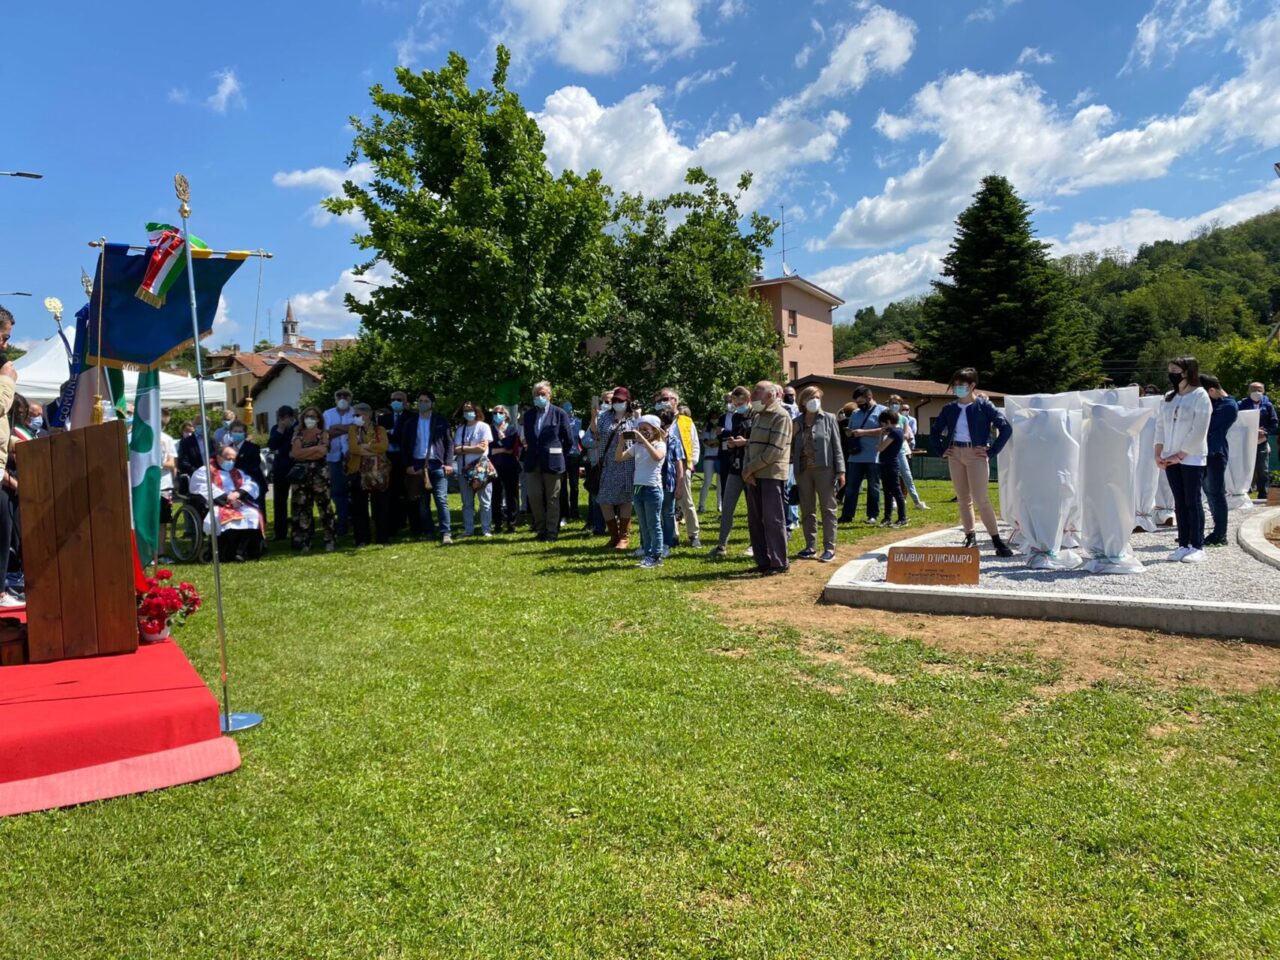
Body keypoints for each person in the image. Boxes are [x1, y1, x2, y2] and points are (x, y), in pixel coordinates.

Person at [931, 367, 1014, 557]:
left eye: (962, 385)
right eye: (955, 385)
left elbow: (1006, 428)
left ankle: (996, 540)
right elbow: (935, 431)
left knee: (981, 498)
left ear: (972, 386)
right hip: (955, 454)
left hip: (976, 454)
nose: (958, 388)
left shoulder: (984, 406)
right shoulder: (949, 408)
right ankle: (970, 535)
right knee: (963, 498)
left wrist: (991, 451)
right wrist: (941, 450)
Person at [1155, 357, 1212, 563]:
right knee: (1178, 502)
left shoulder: (1200, 395)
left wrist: (1181, 455)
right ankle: (1183, 544)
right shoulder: (1169, 397)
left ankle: (1197, 545)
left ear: (1187, 371)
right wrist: (1158, 453)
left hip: (1192, 457)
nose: (1171, 373)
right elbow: (1160, 426)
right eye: (1169, 369)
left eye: (1175, 369)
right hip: (1170, 457)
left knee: (1192, 501)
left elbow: (1199, 429)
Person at [742, 381, 792, 575]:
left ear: (771, 395)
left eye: (757, 392)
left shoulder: (781, 416)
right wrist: (748, 470)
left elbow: (775, 450)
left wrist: (750, 468)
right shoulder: (758, 415)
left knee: (773, 520)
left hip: (771, 474)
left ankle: (779, 562)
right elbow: (751, 445)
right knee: (755, 520)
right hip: (754, 475)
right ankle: (762, 561)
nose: (752, 396)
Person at [791, 386, 845, 562]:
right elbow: (788, 446)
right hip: (803, 470)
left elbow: (837, 446)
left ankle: (830, 547)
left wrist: (841, 470)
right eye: (811, 397)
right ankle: (810, 546)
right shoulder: (797, 421)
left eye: (817, 397)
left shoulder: (829, 418)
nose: (815, 400)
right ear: (803, 402)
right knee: (807, 509)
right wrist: (793, 434)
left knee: (828, 508)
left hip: (825, 469)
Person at [189, 444, 265, 561]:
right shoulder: (204, 471)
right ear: (219, 457)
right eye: (228, 459)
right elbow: (203, 487)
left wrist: (238, 493)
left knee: (253, 515)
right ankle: (226, 551)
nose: (231, 462)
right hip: (216, 503)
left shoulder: (237, 472)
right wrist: (227, 499)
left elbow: (251, 484)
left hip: (238, 502)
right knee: (225, 519)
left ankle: (241, 551)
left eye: (234, 459)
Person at [399, 390, 455, 544]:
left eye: (426, 401)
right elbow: (404, 446)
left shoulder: (440, 421)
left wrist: (449, 463)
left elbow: (449, 443)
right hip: (417, 464)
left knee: (441, 499)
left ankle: (446, 532)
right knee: (423, 502)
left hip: (437, 464)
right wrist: (408, 465)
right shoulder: (410, 422)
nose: (423, 404)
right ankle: (428, 531)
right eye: (420, 401)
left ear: (432, 404)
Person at [521, 381, 573, 542]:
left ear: (549, 395)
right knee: (534, 496)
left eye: (543, 394)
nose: (539, 397)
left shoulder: (559, 413)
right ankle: (541, 528)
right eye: (537, 394)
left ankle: (552, 531)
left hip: (553, 461)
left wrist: (558, 454)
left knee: (553, 497)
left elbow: (569, 440)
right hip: (532, 461)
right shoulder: (528, 415)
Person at [617, 414, 668, 568]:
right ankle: (648, 554)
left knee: (654, 524)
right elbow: (619, 458)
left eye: (646, 429)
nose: (642, 432)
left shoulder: (660, 444)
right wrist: (621, 443)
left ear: (654, 430)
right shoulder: (637, 446)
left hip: (652, 488)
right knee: (644, 525)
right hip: (638, 487)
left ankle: (656, 555)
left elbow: (657, 457)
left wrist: (643, 440)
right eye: (640, 429)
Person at [710, 386, 753, 557]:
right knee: (727, 506)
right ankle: (721, 546)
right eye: (734, 403)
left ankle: (753, 544)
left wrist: (745, 442)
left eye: (740, 403)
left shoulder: (756, 415)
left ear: (748, 400)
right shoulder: (735, 416)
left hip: (751, 467)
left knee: (753, 509)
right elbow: (732, 435)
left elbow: (758, 440)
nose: (736, 406)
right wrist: (731, 442)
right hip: (734, 464)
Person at [289, 405, 337, 553]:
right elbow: (295, 453)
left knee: (324, 507)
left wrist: (306, 452)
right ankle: (305, 540)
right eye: (307, 416)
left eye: (313, 416)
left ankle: (329, 539)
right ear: (302, 418)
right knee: (303, 508)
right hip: (301, 475)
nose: (310, 419)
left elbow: (322, 452)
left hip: (320, 474)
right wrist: (314, 449)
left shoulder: (323, 434)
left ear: (318, 419)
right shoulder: (297, 434)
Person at [657, 388, 700, 548]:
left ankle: (693, 535)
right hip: (662, 467)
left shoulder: (686, 421)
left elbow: (694, 443)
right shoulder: (658, 419)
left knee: (686, 501)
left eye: (666, 398)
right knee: (667, 503)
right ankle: (672, 535)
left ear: (675, 400)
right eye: (661, 399)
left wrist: (690, 464)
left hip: (683, 466)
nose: (663, 401)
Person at [595, 386, 636, 549]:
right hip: (609, 463)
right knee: (604, 500)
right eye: (615, 400)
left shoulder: (634, 418)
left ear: (628, 401)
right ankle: (614, 535)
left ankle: (623, 538)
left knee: (626, 499)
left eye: (621, 400)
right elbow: (596, 435)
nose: (617, 403)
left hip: (628, 463)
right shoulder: (604, 417)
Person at [346, 402, 390, 547]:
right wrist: (371, 451)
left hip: (377, 473)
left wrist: (365, 447)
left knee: (380, 506)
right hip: (358, 471)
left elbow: (383, 447)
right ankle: (362, 539)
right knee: (359, 507)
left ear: (367, 415)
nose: (355, 417)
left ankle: (382, 537)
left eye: (357, 415)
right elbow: (353, 448)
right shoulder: (352, 429)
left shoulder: (379, 429)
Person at [1200, 374, 1237, 547]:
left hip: (1215, 454)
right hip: (1205, 453)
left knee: (1216, 493)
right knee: (1209, 493)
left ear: (1212, 390)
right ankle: (1208, 531)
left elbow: (1207, 424)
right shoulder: (1215, 403)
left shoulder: (1229, 405)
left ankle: (1220, 533)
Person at [839, 386, 886, 524]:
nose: (860, 406)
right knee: (851, 487)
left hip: (874, 456)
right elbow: (853, 429)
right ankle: (847, 515)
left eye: (861, 402)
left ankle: (872, 515)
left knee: (873, 486)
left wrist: (863, 432)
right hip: (856, 455)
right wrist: (850, 432)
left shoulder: (882, 411)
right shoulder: (855, 413)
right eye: (857, 403)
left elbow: (885, 430)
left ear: (869, 398)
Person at [453, 400, 494, 538]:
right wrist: (472, 448)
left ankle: (486, 529)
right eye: (465, 410)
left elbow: (482, 448)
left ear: (476, 411)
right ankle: (468, 530)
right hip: (463, 470)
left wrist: (464, 448)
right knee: (467, 503)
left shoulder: (483, 427)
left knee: (485, 501)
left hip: (480, 469)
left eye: (470, 409)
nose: (468, 412)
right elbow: (456, 449)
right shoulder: (460, 429)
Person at [323, 388, 356, 538]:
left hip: (353, 456)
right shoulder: (328, 414)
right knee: (337, 491)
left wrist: (337, 428)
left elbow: (357, 429)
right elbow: (326, 433)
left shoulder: (355, 411)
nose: (342, 398)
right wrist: (347, 429)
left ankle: (354, 520)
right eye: (339, 395)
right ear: (335, 398)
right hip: (334, 457)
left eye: (346, 395)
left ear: (350, 398)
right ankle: (342, 523)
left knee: (354, 490)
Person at [380, 390, 413, 534]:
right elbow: (382, 438)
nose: (396, 401)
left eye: (399, 399)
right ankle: (393, 524)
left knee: (407, 491)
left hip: (405, 458)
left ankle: (408, 521)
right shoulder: (383, 419)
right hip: (389, 458)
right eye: (393, 399)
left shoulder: (411, 417)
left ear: (405, 402)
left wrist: (391, 435)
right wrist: (393, 435)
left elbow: (405, 438)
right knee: (391, 492)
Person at [1239, 381, 1278, 501]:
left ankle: (1263, 493)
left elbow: (1274, 423)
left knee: (1262, 468)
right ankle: (1244, 492)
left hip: (1261, 441)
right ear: (1249, 391)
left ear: (1264, 391)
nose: (1256, 392)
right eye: (1254, 390)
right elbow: (1237, 420)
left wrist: (1264, 432)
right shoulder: (1241, 404)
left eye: (1259, 390)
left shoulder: (1268, 405)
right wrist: (1250, 430)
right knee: (1244, 467)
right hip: (1245, 441)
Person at [888, 394, 928, 511]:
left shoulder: (904, 419)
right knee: (891, 477)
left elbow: (906, 435)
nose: (894, 405)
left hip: (901, 451)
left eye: (897, 403)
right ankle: (893, 500)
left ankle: (917, 501)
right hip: (888, 451)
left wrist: (895, 435)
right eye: (892, 403)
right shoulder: (885, 417)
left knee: (907, 476)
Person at [488, 404, 522, 533]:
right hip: (494, 466)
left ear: (506, 415)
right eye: (495, 412)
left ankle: (511, 523)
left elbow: (510, 447)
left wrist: (502, 440)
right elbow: (489, 449)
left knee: (511, 495)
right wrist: (502, 449)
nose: (498, 415)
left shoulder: (512, 429)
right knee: (495, 495)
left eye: (501, 412)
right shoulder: (490, 429)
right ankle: (497, 523)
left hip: (510, 466)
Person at [267, 406, 296, 542]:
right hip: (280, 468)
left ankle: (299, 529)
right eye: (281, 418)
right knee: (279, 502)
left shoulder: (297, 428)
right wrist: (280, 430)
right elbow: (272, 445)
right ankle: (280, 533)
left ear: (291, 417)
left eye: (286, 418)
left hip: (295, 467)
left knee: (298, 500)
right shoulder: (275, 428)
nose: (284, 421)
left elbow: (292, 446)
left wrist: (280, 451)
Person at [877, 409, 908, 527]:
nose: (882, 426)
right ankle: (887, 517)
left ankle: (902, 518)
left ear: (888, 421)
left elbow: (880, 448)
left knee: (896, 491)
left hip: (891, 464)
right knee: (887, 492)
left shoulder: (895, 432)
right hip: (885, 464)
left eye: (883, 423)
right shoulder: (896, 431)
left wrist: (881, 434)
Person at [156, 408, 178, 563]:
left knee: (161, 521)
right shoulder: (139, 437)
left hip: (163, 485)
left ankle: (161, 553)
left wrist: (157, 463)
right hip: (145, 485)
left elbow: (171, 463)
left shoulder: (167, 439)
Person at [558, 400, 583, 524]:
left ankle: (575, 511)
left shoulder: (577, 421)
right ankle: (564, 513)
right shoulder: (557, 421)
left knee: (574, 485)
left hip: (574, 455)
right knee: (562, 486)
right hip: (561, 455)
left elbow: (578, 437)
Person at [229, 419, 266, 500]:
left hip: (253, 484)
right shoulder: (227, 449)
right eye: (235, 431)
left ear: (244, 433)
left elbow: (253, 465)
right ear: (230, 432)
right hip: (234, 486)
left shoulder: (253, 448)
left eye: (240, 431)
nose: (237, 433)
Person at [697, 412, 721, 514]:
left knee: (720, 483)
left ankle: (719, 505)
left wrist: (715, 441)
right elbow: (706, 443)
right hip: (708, 457)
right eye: (712, 418)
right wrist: (714, 442)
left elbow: (720, 441)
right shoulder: (706, 428)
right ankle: (701, 505)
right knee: (707, 481)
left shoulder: (721, 428)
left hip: (720, 457)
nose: (714, 420)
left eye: (716, 418)